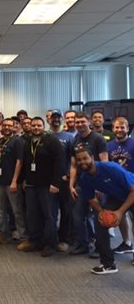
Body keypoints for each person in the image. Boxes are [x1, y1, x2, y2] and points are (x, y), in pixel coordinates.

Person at [75, 146, 134, 274]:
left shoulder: (109, 168)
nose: (82, 162)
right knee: (99, 222)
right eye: (79, 160)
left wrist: (119, 212)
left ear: (92, 158)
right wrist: (101, 211)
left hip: (132, 192)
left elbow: (133, 190)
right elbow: (90, 198)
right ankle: (108, 264)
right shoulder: (84, 179)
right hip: (116, 197)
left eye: (85, 158)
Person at [17, 117, 64, 257]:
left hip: (47, 186)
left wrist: (56, 183)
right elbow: (25, 162)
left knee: (49, 215)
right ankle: (35, 241)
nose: (36, 128)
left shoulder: (52, 141)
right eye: (34, 125)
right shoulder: (27, 142)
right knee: (32, 215)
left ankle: (50, 244)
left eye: (39, 125)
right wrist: (24, 179)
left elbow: (60, 162)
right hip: (31, 185)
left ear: (44, 126)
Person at [69, 112, 108, 256]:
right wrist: (71, 185)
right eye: (77, 122)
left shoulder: (98, 139)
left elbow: (104, 162)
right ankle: (83, 244)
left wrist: (100, 185)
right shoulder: (75, 140)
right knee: (77, 216)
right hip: (81, 184)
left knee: (99, 217)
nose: (79, 124)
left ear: (89, 122)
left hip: (97, 184)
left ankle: (100, 247)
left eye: (82, 121)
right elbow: (73, 165)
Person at [0, 118, 27, 246]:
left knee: (17, 210)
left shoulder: (18, 142)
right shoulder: (0, 142)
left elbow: (19, 162)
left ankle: (24, 237)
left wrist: (15, 180)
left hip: (12, 182)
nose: (7, 127)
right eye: (5, 125)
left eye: (10, 125)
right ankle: (2, 234)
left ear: (14, 127)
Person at [107, 117, 134, 255]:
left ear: (127, 128)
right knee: (121, 214)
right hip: (117, 187)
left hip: (132, 185)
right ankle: (127, 243)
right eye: (117, 127)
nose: (119, 130)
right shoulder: (109, 146)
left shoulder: (133, 143)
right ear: (113, 129)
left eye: (122, 127)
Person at [48, 109, 74, 252]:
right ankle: (51, 239)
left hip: (64, 180)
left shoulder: (69, 137)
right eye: (54, 118)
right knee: (50, 212)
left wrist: (68, 175)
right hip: (49, 181)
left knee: (66, 211)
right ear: (49, 120)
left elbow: (73, 158)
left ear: (61, 120)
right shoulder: (45, 136)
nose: (56, 120)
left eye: (58, 118)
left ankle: (64, 239)